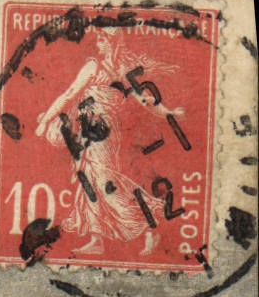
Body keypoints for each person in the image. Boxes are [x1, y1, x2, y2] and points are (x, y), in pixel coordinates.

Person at [34, 33, 184, 256]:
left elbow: (144, 99)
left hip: (104, 134)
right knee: (90, 182)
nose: (98, 43)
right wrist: (47, 119)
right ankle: (97, 240)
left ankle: (150, 229)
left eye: (103, 39)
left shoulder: (123, 70)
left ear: (114, 42)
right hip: (88, 130)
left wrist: (168, 112)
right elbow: (70, 95)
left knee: (106, 184)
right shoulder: (92, 66)